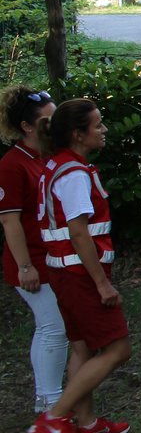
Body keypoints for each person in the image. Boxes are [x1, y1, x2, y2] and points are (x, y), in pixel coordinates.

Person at [28, 99, 132, 433]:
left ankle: (86, 424)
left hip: (63, 271)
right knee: (118, 348)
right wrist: (101, 283)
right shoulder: (73, 173)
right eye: (98, 125)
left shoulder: (55, 164)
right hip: (79, 273)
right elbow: (78, 232)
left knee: (82, 346)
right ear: (78, 134)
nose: (103, 130)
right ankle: (55, 418)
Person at [1, 86, 70, 415]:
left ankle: (49, 399)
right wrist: (24, 266)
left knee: (57, 325)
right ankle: (50, 402)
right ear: (27, 127)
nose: (53, 125)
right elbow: (10, 221)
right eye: (48, 120)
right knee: (53, 326)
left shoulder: (46, 155)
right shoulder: (12, 165)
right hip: (31, 262)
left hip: (52, 257)